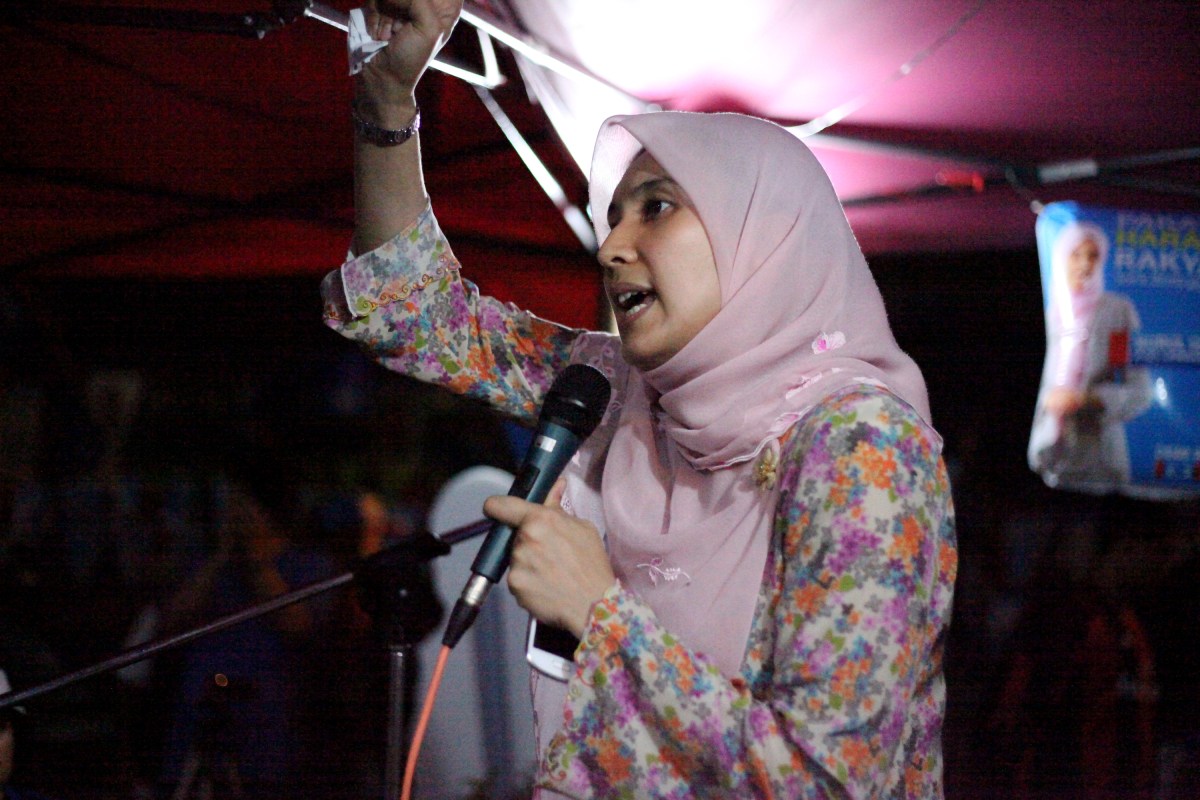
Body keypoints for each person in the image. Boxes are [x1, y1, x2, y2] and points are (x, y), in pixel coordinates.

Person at [321, 1, 957, 796]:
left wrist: (601, 614)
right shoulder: (612, 392)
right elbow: (411, 311)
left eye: (657, 207)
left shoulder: (862, 451)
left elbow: (829, 782)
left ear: (761, 234)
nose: (612, 246)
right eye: (612, 218)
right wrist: (386, 100)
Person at [1028, 221, 1152, 490]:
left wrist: (1089, 399)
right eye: (1075, 254)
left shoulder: (1116, 311)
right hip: (1050, 457)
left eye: (1093, 255)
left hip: (1101, 461)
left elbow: (1141, 391)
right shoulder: (1052, 313)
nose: (1084, 264)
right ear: (1061, 258)